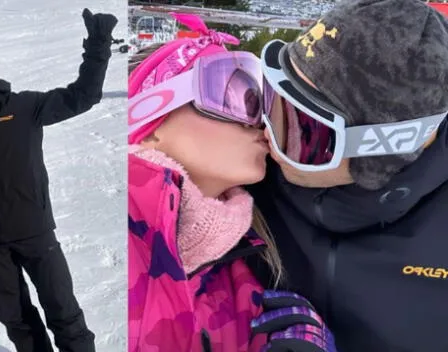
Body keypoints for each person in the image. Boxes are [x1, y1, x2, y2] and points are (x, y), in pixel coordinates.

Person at [128, 12, 336, 352]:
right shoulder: (126, 238)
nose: (259, 124)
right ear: (148, 125)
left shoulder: (245, 270)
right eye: (233, 95)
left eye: (261, 104)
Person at [247, 0, 448, 351]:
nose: (266, 132)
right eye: (271, 97)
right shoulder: (247, 184)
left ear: (378, 154)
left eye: (300, 128)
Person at [0, 8, 117, 352]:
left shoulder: (24, 107)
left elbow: (83, 96)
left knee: (65, 315)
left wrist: (98, 44)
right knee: (18, 323)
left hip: (37, 234)